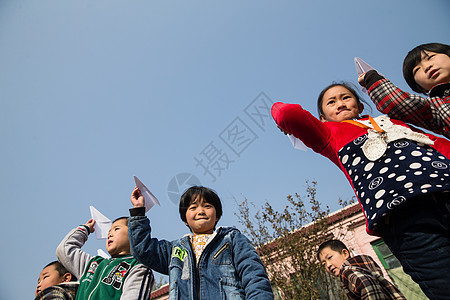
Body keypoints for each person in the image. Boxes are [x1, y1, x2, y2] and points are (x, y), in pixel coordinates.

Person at [271, 82, 450, 300]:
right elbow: (286, 113)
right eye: (331, 102)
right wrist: (289, 123)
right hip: (404, 218)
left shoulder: (391, 122)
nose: (340, 103)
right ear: (322, 118)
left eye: (346, 97)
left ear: (359, 105)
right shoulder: (328, 134)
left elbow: (439, 146)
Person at [128, 185, 274, 299]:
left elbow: (254, 276)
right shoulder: (175, 250)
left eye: (207, 206)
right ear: (185, 219)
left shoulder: (232, 239)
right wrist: (139, 211)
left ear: (217, 215)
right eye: (193, 207)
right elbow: (142, 249)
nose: (201, 211)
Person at [358, 42, 450, 138]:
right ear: (419, 87)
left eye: (430, 58)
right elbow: (398, 102)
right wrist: (371, 78)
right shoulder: (437, 107)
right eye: (417, 70)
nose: (427, 67)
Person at [56, 216, 154, 300]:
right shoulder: (93, 264)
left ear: (133, 234)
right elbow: (64, 250)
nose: (110, 235)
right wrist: (85, 229)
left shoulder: (138, 267)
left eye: (116, 229)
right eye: (108, 233)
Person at [317, 240, 406, 299]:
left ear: (345, 253)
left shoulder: (347, 271)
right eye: (324, 264)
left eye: (329, 257)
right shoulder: (363, 269)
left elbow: (367, 286)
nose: (328, 265)